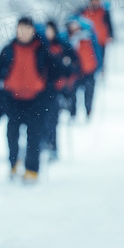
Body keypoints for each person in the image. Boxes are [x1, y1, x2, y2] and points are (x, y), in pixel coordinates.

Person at [0, 16, 50, 182]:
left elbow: (54, 72)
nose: (23, 33)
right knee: (12, 135)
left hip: (36, 100)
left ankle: (32, 170)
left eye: (27, 29)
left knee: (34, 136)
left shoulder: (41, 49)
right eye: (20, 29)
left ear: (33, 30)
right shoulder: (8, 49)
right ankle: (13, 164)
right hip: (13, 100)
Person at [43, 20, 77, 161]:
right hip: (42, 91)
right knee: (43, 120)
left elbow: (74, 64)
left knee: (52, 119)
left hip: (57, 89)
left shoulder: (62, 45)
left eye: (49, 30)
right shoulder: (40, 47)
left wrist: (67, 80)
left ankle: (52, 147)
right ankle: (44, 145)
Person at [65, 17, 102, 121]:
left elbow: (96, 51)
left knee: (89, 93)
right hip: (75, 72)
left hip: (89, 70)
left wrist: (99, 66)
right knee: (72, 94)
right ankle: (73, 114)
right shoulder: (67, 40)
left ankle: (88, 112)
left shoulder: (88, 37)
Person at [80, 0, 114, 70]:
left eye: (97, 0)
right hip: (89, 40)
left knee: (102, 56)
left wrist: (111, 35)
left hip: (101, 38)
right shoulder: (85, 11)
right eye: (94, 1)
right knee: (92, 57)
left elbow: (109, 24)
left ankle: (101, 70)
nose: (96, 2)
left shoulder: (103, 11)